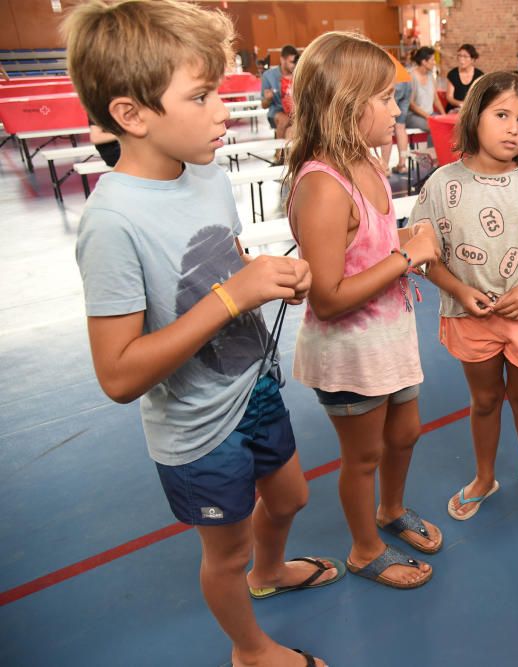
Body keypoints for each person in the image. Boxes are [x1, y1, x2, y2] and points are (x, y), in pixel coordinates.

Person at [64, 2, 336, 666]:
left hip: (254, 388)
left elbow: (224, 263)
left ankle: (270, 575)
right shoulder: (112, 223)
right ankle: (249, 648)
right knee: (227, 553)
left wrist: (262, 276)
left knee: (293, 494)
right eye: (202, 95)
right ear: (132, 115)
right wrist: (232, 294)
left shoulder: (208, 174)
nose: (224, 110)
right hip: (197, 430)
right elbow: (119, 374)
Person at [285, 31, 442, 590]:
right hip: (350, 351)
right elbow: (327, 298)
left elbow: (367, 248)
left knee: (407, 432)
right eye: (381, 98)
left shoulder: (368, 162)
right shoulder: (323, 186)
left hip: (389, 338)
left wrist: (406, 239)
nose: (393, 107)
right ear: (345, 108)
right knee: (364, 456)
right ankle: (363, 548)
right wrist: (406, 255)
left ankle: (390, 510)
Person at [409, 71, 518, 522]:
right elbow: (425, 256)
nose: (513, 128)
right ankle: (484, 477)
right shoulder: (443, 185)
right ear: (475, 117)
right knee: (484, 401)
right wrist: (460, 290)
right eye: (501, 115)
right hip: (471, 317)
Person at [379, 52, 413, 176]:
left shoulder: (369, 54)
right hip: (406, 80)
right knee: (400, 126)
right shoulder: (383, 52)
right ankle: (402, 165)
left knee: (387, 125)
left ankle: (385, 168)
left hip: (393, 82)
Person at [405, 46, 445, 135]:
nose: (434, 63)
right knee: (434, 126)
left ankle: (436, 149)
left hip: (430, 115)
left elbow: (436, 99)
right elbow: (411, 105)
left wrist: (444, 115)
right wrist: (429, 117)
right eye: (432, 60)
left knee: (445, 125)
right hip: (413, 116)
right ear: (424, 62)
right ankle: (432, 149)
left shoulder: (431, 75)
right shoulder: (411, 76)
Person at [261, 44, 297, 140]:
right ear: (282, 60)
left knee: (293, 128)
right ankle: (279, 153)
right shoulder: (268, 75)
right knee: (284, 120)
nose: (294, 65)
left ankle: (288, 152)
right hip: (277, 111)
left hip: (295, 112)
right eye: (291, 62)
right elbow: (263, 105)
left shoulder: (298, 74)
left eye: (295, 62)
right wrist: (268, 99)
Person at [445, 43, 484, 111]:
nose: (461, 59)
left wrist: (469, 106)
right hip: (455, 109)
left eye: (465, 56)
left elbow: (480, 96)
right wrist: (461, 104)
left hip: (472, 109)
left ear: (472, 59)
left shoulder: (479, 75)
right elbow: (449, 97)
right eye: (459, 56)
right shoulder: (452, 74)